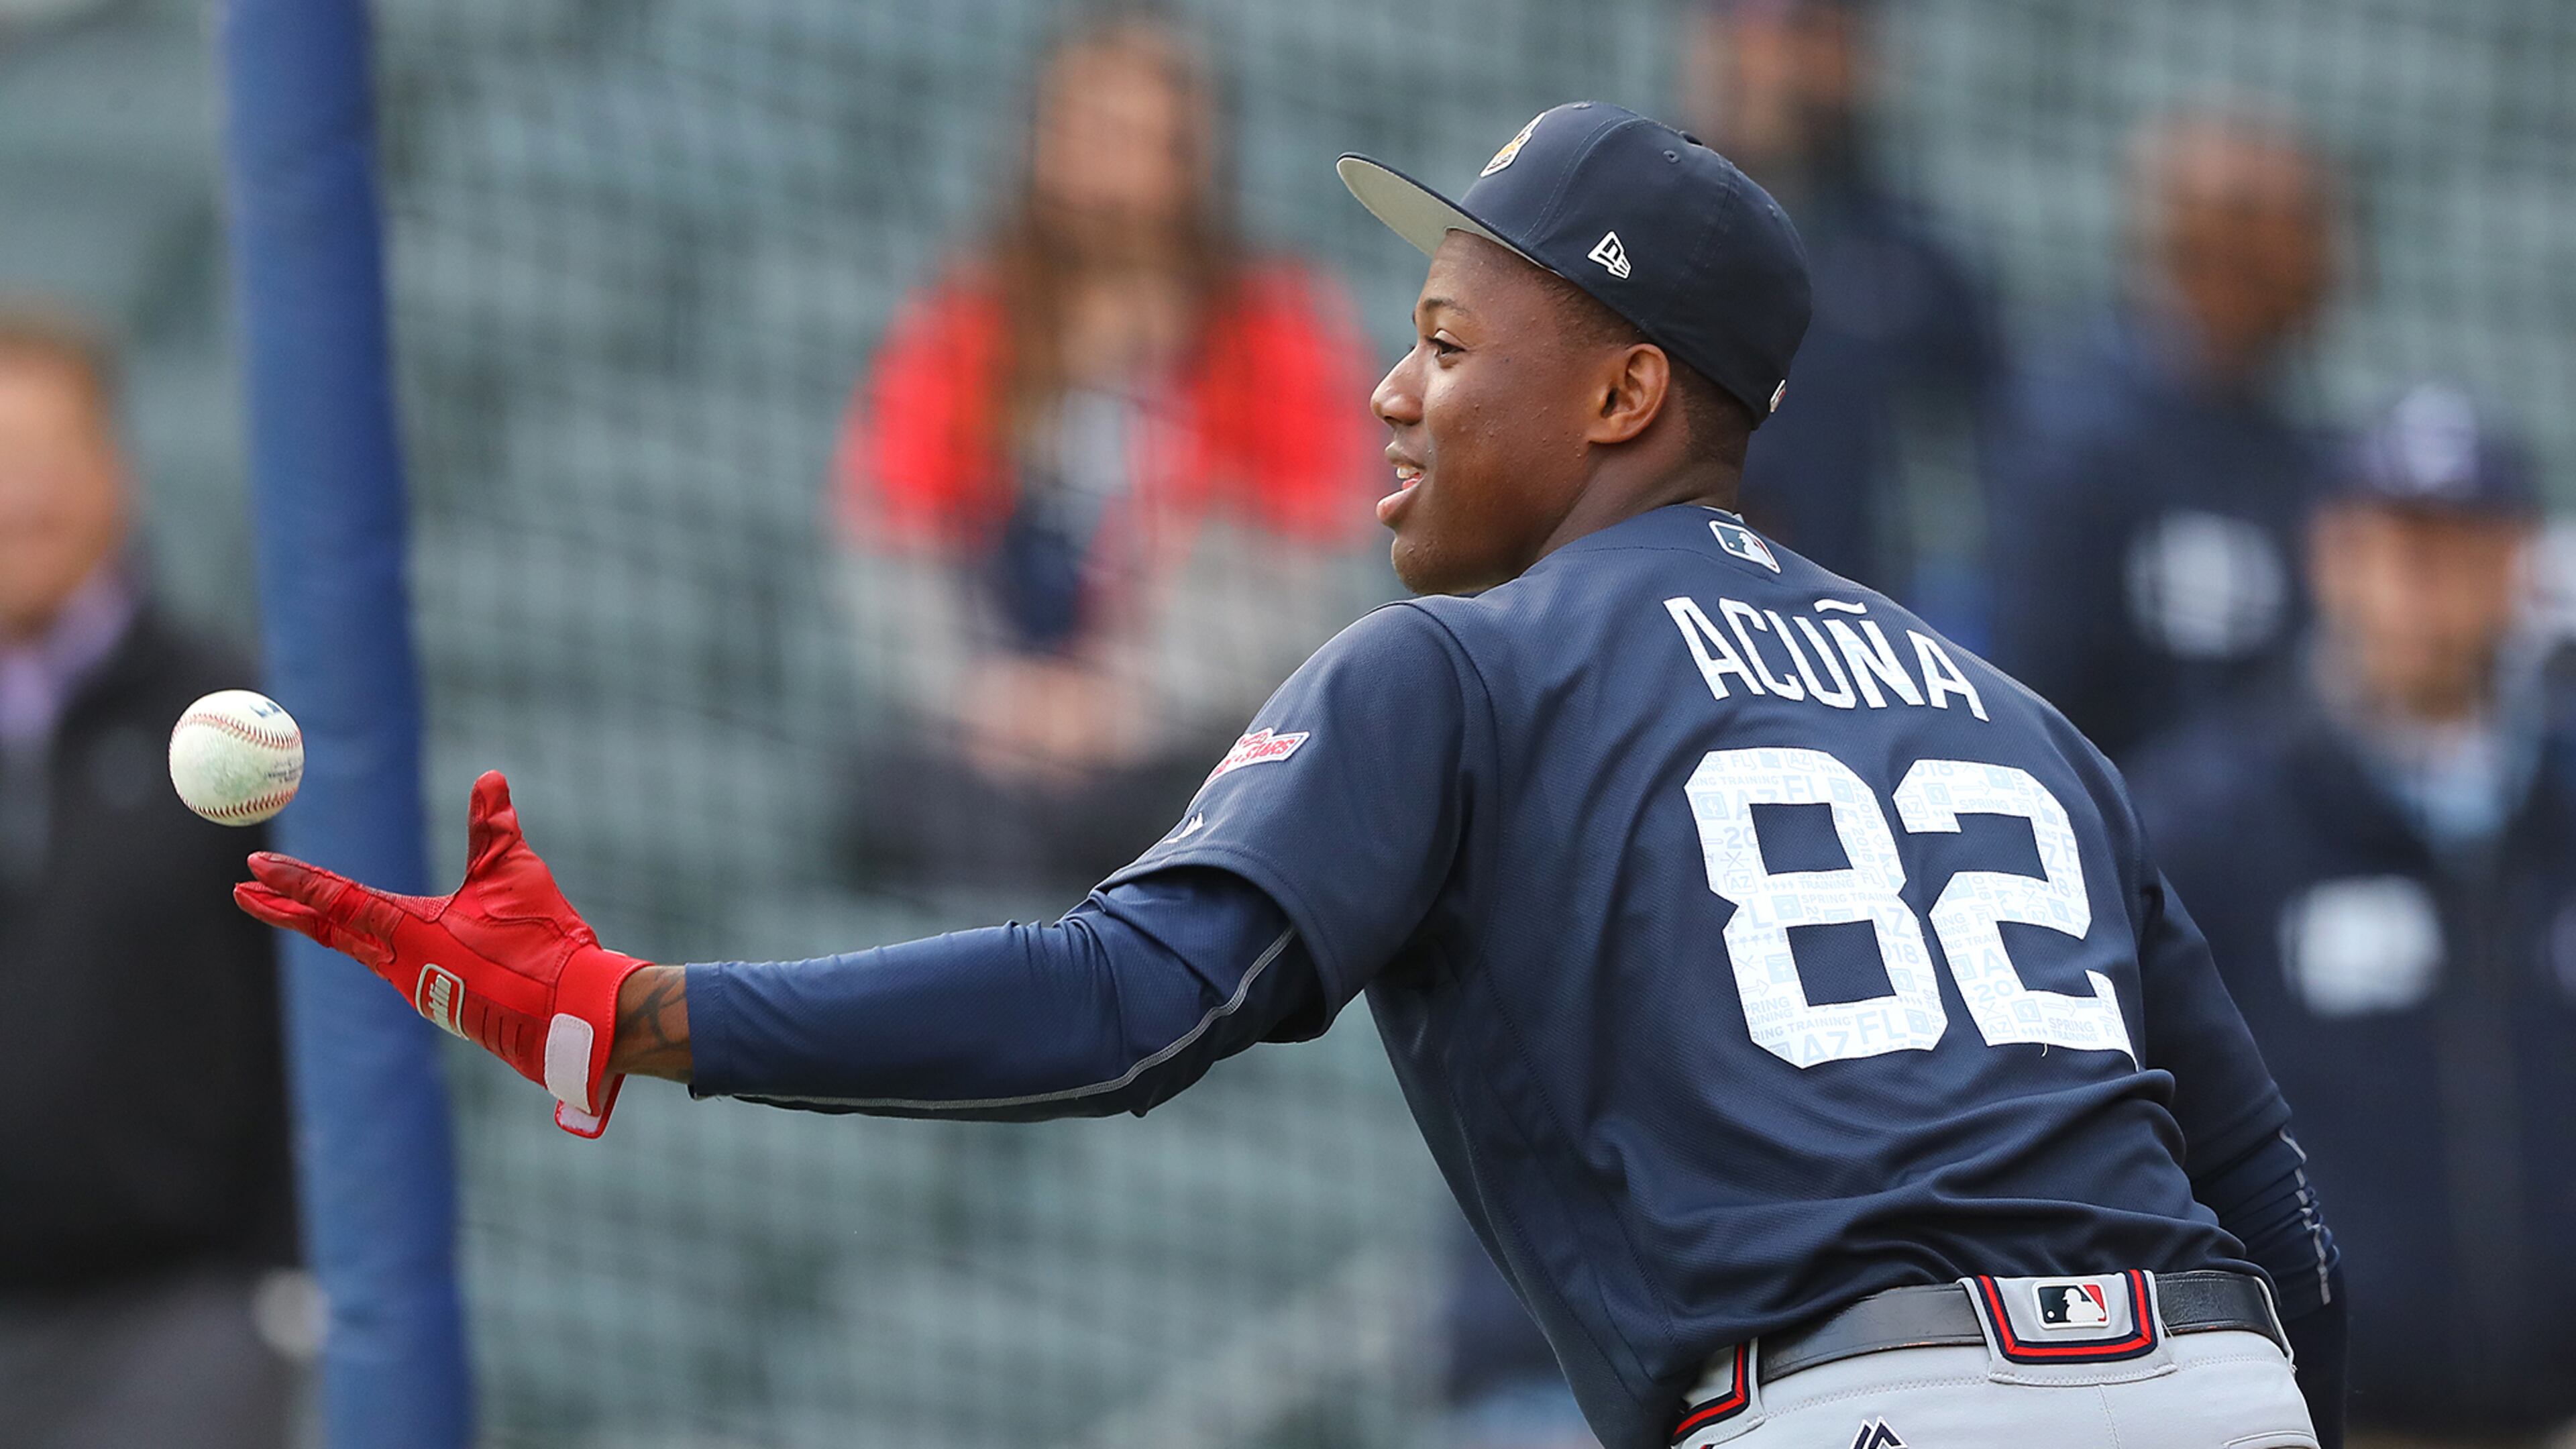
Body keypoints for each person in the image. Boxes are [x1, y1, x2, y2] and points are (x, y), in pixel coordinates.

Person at [236, 105, 2345, 1448]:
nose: (1385, 385)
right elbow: (2273, 1220)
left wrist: (645, 1013)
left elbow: (1115, 1002)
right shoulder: (2010, 716)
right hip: (2213, 1387)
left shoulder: (1456, 668)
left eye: (1445, 337)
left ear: (1622, 392)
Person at [835, 11, 1379, 889]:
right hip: (986, 731)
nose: (1103, 166)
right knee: (915, 808)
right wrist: (991, 696)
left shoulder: (1271, 333)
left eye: (1131, 137)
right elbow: (890, 537)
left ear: (1192, 154)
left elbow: (1300, 573)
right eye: (1082, 130)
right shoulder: (970, 322)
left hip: (1187, 741)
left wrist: (1123, 702)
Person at [2131, 386, 2575, 1449]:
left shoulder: (2562, 805)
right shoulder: (2205, 818)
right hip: (2326, 1418)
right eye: (2393, 543)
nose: (2421, 586)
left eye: (2460, 546)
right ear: (2329, 554)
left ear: (2519, 564)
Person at [0, 303, 301, 1447]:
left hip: (175, 1331)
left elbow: (321, 986)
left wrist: (279, 1288)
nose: (19, 498)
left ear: (114, 471)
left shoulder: (231, 722)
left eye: (44, 459)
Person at [1988, 109, 2338, 761]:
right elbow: (2035, 698)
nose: (2330, 270)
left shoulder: (2308, 459)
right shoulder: (2075, 436)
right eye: (2301, 236)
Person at [1687, 0, 2002, 634]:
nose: (1797, 66)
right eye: (1781, 34)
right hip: (1672, 594)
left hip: (1847, 621)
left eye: (1824, 36)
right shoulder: (1645, 211)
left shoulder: (1913, 260)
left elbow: (1995, 449)